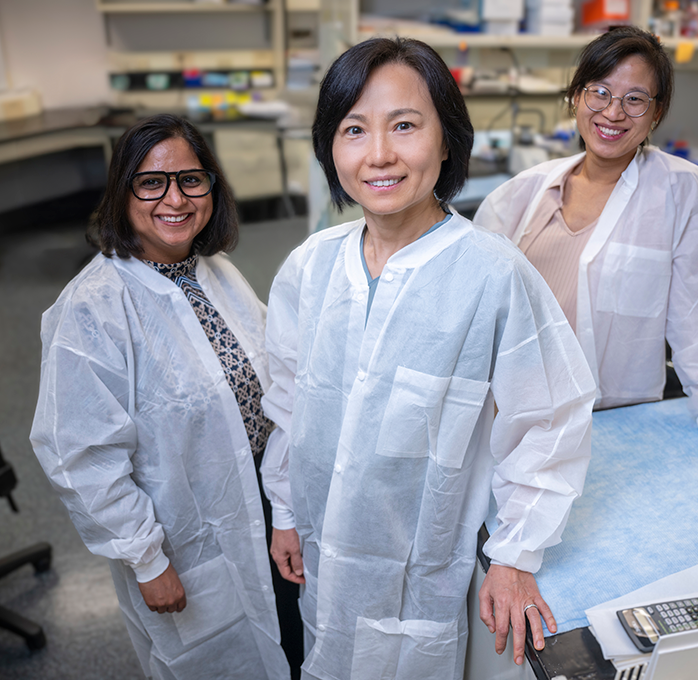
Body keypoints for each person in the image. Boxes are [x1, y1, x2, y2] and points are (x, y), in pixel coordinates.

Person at [260, 37, 596, 680]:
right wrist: (286, 512)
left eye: (405, 125)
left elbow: (550, 422)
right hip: (324, 559)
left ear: (448, 140)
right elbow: (289, 406)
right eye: (354, 129)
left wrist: (516, 554)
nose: (379, 154)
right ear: (331, 148)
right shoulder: (311, 268)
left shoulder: (493, 276)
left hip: (416, 576)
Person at [30, 114, 290, 680]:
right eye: (151, 183)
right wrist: (147, 561)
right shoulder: (92, 307)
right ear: (123, 194)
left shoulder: (215, 270)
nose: (175, 198)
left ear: (211, 190)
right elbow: (80, 456)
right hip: (184, 541)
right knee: (221, 663)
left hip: (268, 509)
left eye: (191, 180)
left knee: (287, 646)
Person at [475, 26, 698, 460]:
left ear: (656, 114)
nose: (613, 112)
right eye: (599, 92)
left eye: (635, 99)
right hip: (511, 411)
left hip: (611, 420)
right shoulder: (523, 192)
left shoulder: (679, 191)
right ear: (575, 98)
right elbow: (477, 304)